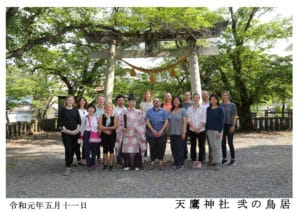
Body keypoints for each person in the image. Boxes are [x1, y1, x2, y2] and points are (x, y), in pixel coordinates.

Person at [115, 94, 146, 171]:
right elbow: (120, 123)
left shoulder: (139, 112)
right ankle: (126, 164)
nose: (132, 103)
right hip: (126, 134)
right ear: (128, 103)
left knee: (136, 150)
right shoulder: (124, 111)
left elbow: (142, 123)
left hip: (136, 134)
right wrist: (122, 128)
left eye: (133, 102)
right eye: (130, 102)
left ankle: (137, 165)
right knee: (126, 150)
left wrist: (138, 129)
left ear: (135, 103)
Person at [58, 95, 81, 176]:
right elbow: (60, 123)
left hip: (75, 133)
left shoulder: (76, 110)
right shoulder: (62, 111)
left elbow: (79, 122)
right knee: (68, 149)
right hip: (66, 133)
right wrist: (67, 131)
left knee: (74, 148)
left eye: (71, 100)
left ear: (73, 102)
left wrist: (76, 130)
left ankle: (71, 164)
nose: (70, 102)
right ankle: (67, 167)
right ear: (66, 101)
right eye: (69, 100)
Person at [145, 98, 169, 170]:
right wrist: (153, 130)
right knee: (152, 148)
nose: (156, 102)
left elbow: (166, 121)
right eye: (154, 101)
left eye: (157, 101)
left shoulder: (164, 111)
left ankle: (161, 162)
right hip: (151, 134)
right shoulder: (149, 111)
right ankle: (152, 162)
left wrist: (161, 131)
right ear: (153, 103)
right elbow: (147, 121)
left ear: (160, 102)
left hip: (162, 134)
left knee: (161, 148)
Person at [187, 93, 206, 168]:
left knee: (201, 146)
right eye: (194, 98)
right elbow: (188, 120)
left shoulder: (203, 108)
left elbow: (204, 119)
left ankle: (200, 161)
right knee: (193, 146)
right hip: (192, 130)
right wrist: (194, 128)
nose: (196, 99)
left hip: (201, 130)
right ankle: (194, 160)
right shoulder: (189, 109)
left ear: (199, 99)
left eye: (197, 98)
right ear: (192, 99)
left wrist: (198, 128)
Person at [205, 94, 225, 171]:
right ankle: (214, 161)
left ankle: (218, 162)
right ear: (209, 100)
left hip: (217, 130)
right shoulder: (208, 109)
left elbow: (221, 121)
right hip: (209, 130)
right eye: (211, 99)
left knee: (217, 146)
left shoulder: (220, 109)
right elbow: (207, 120)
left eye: (214, 99)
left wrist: (219, 131)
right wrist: (206, 129)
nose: (213, 101)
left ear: (217, 100)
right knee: (212, 146)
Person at [168, 96, 188, 169]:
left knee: (180, 149)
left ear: (180, 102)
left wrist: (184, 132)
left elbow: (185, 122)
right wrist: (168, 132)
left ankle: (181, 163)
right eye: (174, 100)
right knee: (174, 149)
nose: (176, 101)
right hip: (172, 132)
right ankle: (176, 162)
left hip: (180, 132)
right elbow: (169, 122)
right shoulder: (171, 110)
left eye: (177, 100)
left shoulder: (183, 110)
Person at [98, 103, 118, 170]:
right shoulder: (101, 116)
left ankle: (111, 163)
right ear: (105, 108)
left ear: (112, 108)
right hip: (104, 135)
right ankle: (105, 163)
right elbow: (100, 126)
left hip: (112, 135)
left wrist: (106, 128)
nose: (108, 108)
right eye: (107, 107)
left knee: (111, 149)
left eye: (110, 107)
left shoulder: (114, 116)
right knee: (105, 149)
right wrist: (106, 130)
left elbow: (115, 126)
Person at [220, 91, 238, 166]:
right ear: (222, 97)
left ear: (228, 96)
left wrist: (233, 126)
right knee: (223, 143)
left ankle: (233, 159)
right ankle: (224, 158)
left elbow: (235, 116)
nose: (225, 96)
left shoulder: (232, 105)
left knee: (230, 142)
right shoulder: (220, 105)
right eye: (223, 95)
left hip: (230, 125)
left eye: (226, 95)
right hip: (222, 126)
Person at [82, 104, 101, 171]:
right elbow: (82, 127)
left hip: (95, 135)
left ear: (94, 109)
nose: (91, 109)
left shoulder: (97, 117)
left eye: (92, 108)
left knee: (94, 151)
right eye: (89, 108)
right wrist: (81, 136)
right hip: (87, 134)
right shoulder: (85, 117)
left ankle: (93, 164)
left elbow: (99, 126)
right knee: (87, 150)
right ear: (87, 110)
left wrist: (100, 132)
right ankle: (89, 165)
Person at [139, 90, 153, 162]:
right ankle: (144, 155)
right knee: (144, 139)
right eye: (146, 94)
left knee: (151, 139)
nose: (147, 95)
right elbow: (141, 113)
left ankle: (152, 156)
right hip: (143, 123)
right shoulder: (142, 103)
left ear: (150, 95)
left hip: (151, 123)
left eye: (148, 94)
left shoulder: (152, 103)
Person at [201, 90, 212, 163]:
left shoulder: (211, 104)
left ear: (208, 95)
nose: (205, 96)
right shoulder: (200, 105)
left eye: (206, 94)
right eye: (203, 95)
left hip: (210, 126)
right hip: (202, 127)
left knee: (211, 143)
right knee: (202, 143)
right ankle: (203, 158)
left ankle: (211, 158)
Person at [77, 96, 88, 166]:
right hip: (78, 130)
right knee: (77, 145)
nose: (82, 102)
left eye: (84, 101)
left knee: (85, 145)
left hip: (86, 130)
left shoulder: (88, 110)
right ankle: (79, 158)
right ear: (79, 102)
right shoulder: (76, 110)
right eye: (81, 101)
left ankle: (84, 158)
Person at [182, 91, 193, 160]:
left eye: (188, 95)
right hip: (183, 125)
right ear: (184, 96)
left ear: (190, 96)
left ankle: (192, 156)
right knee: (184, 141)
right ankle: (185, 156)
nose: (187, 96)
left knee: (193, 141)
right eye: (185, 95)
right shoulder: (182, 104)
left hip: (191, 124)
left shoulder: (193, 103)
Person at [95, 95, 105, 164]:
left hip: (105, 129)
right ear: (97, 101)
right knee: (97, 144)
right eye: (99, 99)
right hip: (96, 129)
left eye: (102, 99)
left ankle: (104, 157)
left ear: (104, 100)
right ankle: (98, 157)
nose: (101, 101)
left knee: (105, 144)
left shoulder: (106, 109)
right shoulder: (94, 109)